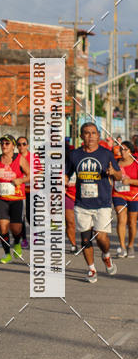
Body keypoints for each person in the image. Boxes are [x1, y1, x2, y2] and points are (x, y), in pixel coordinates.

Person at [66, 121, 123, 282]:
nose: (90, 136)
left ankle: (106, 255)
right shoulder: (75, 154)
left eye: (93, 133)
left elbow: (119, 176)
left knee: (101, 238)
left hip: (102, 203)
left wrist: (113, 172)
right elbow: (67, 173)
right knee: (85, 239)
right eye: (86, 133)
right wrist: (61, 180)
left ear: (98, 135)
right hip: (82, 203)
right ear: (81, 136)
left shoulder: (106, 154)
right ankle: (91, 269)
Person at [0, 134, 29, 263]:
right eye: (2, 143)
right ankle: (6, 253)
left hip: (16, 198)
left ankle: (17, 242)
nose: (4, 146)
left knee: (16, 228)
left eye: (7, 143)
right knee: (3, 227)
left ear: (13, 146)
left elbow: (31, 176)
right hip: (1, 198)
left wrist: (20, 180)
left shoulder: (20, 159)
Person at [112, 140, 138, 257]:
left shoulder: (136, 163)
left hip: (134, 195)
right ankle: (122, 246)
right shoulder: (116, 162)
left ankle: (130, 245)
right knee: (121, 219)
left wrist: (130, 181)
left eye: (125, 149)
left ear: (131, 151)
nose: (122, 151)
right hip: (119, 194)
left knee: (132, 223)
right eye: (121, 149)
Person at [16, 135, 41, 249]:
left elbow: (40, 172)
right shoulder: (14, 158)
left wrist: (31, 176)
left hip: (32, 189)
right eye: (19, 144)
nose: (21, 146)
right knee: (20, 215)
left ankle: (35, 236)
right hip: (19, 190)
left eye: (24, 144)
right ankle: (24, 240)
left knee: (30, 216)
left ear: (28, 145)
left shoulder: (33, 157)